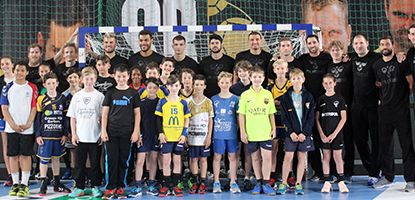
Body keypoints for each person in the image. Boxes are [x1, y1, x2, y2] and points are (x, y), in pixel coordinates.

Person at [372, 36, 415, 191]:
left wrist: (403, 98)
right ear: (379, 46)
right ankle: (387, 176)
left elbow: (410, 82)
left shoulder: (401, 61)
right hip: (384, 110)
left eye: (387, 44)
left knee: (406, 144)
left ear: (392, 45)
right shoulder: (376, 65)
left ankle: (410, 179)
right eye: (382, 44)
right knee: (385, 145)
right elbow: (378, 84)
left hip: (401, 109)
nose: (385, 46)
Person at [101, 65, 141, 199]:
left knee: (124, 160)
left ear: (128, 76)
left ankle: (121, 187)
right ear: (114, 76)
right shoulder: (110, 92)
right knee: (111, 160)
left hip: (127, 133)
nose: (121, 79)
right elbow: (105, 114)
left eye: (124, 76)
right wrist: (103, 131)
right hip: (111, 132)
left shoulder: (133, 94)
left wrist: (136, 132)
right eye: (119, 76)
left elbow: (137, 114)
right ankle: (110, 187)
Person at [1, 61, 38, 197]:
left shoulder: (32, 88)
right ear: (14, 71)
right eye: (17, 70)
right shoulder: (7, 88)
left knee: (25, 156)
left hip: (27, 129)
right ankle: (15, 183)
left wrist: (28, 123)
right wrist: (13, 125)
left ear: (26, 72)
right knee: (13, 156)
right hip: (12, 129)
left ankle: (24, 183)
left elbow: (34, 107)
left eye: (22, 70)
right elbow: (4, 108)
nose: (19, 73)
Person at [67, 67, 104, 198]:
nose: (89, 81)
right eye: (87, 79)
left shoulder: (100, 96)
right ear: (82, 80)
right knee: (79, 164)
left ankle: (95, 186)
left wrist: (101, 133)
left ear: (95, 79)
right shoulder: (77, 96)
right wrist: (74, 134)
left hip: (94, 136)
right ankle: (79, 187)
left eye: (92, 79)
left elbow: (103, 117)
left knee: (95, 164)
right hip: (80, 137)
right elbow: (72, 117)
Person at [238, 67, 276, 196]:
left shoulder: (267, 94)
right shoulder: (245, 95)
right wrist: (243, 132)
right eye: (254, 77)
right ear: (250, 78)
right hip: (251, 133)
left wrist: (274, 128)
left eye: (259, 77)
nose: (257, 79)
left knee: (267, 158)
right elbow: (241, 115)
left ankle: (266, 183)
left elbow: (271, 113)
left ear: (263, 78)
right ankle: (258, 182)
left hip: (265, 131)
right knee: (255, 158)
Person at [277, 68, 315, 195]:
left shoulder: (309, 96)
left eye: (299, 78)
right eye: (294, 78)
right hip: (291, 134)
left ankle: (298, 183)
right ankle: (284, 182)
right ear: (290, 81)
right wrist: (291, 132)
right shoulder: (285, 97)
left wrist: (304, 133)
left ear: (303, 79)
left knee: (301, 157)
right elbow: (284, 118)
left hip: (304, 134)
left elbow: (311, 117)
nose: (296, 81)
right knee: (288, 157)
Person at [298, 34, 332, 181]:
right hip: (307, 104)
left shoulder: (327, 58)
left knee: (325, 138)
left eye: (314, 42)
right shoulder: (302, 60)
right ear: (306, 45)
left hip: (324, 103)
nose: (312, 45)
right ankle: (317, 171)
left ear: (318, 43)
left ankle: (331, 172)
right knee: (310, 138)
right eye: (309, 43)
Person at [350, 34, 382, 186]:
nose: (358, 46)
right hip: (357, 107)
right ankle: (371, 168)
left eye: (361, 43)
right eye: (355, 43)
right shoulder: (350, 59)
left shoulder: (376, 58)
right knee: (360, 141)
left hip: (373, 106)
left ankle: (375, 172)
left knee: (376, 140)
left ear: (367, 43)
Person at [35, 72, 71, 196]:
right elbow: (38, 118)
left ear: (57, 83)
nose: (51, 85)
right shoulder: (41, 98)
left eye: (53, 83)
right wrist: (38, 135)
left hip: (58, 134)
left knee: (56, 158)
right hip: (45, 135)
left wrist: (65, 134)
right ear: (44, 84)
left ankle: (57, 182)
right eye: (48, 83)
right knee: (44, 160)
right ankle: (43, 183)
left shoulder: (62, 98)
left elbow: (65, 118)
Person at [155, 75, 191, 197]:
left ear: (180, 86)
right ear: (167, 87)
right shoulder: (163, 101)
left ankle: (175, 185)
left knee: (177, 161)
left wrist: (184, 134)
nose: (174, 88)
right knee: (166, 161)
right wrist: (160, 133)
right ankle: (166, 185)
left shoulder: (183, 102)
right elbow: (158, 119)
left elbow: (187, 119)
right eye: (171, 85)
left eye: (176, 85)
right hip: (166, 137)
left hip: (179, 137)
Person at [316, 73, 349, 193]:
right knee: (325, 157)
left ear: (334, 83)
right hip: (324, 135)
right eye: (325, 83)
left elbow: (343, 118)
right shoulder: (321, 99)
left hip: (336, 135)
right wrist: (322, 134)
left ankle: (341, 181)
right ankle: (327, 181)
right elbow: (317, 119)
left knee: (338, 157)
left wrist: (334, 134)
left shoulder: (340, 98)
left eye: (330, 82)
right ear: (323, 84)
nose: (328, 85)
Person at [327, 40, 354, 182]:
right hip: (331, 110)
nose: (336, 52)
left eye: (338, 50)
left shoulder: (348, 64)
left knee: (348, 140)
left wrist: (349, 57)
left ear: (343, 51)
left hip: (347, 108)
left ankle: (348, 172)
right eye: (333, 50)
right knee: (332, 141)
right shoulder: (328, 66)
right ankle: (332, 172)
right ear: (330, 52)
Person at [211, 72, 241, 193]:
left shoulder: (236, 99)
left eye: (227, 82)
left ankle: (233, 181)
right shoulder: (213, 99)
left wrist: (241, 131)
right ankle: (216, 181)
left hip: (232, 134)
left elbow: (239, 117)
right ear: (218, 83)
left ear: (231, 83)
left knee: (232, 157)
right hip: (218, 134)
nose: (224, 85)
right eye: (222, 82)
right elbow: (211, 119)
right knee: (217, 157)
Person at [130, 78, 160, 197]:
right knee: (140, 160)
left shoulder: (161, 102)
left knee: (153, 159)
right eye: (149, 88)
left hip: (155, 135)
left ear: (157, 89)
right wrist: (138, 134)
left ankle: (152, 184)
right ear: (146, 89)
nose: (152, 90)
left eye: (154, 88)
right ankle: (138, 185)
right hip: (143, 135)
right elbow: (137, 120)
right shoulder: (141, 103)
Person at [186, 74, 214, 194]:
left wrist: (209, 136)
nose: (198, 87)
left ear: (205, 86)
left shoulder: (208, 102)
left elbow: (211, 120)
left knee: (203, 159)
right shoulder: (188, 102)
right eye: (196, 84)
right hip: (192, 136)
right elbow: (184, 119)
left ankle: (202, 182)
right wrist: (185, 135)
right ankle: (195, 181)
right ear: (193, 85)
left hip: (204, 137)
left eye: (201, 85)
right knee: (193, 159)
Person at [267, 59, 291, 185]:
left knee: (289, 150)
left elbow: (292, 101)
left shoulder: (291, 84)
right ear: (274, 70)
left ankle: (290, 174)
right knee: (274, 149)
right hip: (274, 121)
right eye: (278, 69)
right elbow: (268, 103)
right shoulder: (270, 87)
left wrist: (278, 102)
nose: (281, 71)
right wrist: (283, 103)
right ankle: (272, 174)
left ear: (286, 70)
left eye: (283, 68)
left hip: (289, 122)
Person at [61, 68, 82, 180]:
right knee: (71, 151)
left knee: (83, 152)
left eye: (75, 77)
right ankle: (73, 173)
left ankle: (85, 174)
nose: (73, 79)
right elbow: (65, 115)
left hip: (83, 127)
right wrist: (67, 130)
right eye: (70, 77)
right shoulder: (64, 95)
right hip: (70, 127)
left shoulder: (84, 92)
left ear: (79, 79)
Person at [0, 56, 15, 187]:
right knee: (6, 145)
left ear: (12, 65)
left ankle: (21, 174)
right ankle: (11, 174)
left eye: (7, 63)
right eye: (3, 64)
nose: (5, 66)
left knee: (20, 146)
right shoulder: (0, 82)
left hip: (19, 118)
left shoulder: (19, 80)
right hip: (4, 118)